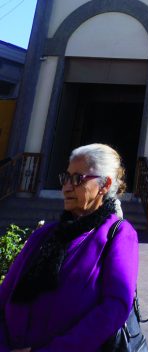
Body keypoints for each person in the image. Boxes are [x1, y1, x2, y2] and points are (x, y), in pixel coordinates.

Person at [0, 143, 138, 352]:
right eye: (66, 178)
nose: (66, 187)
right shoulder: (44, 235)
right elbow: (5, 294)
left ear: (104, 185)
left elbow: (115, 306)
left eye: (77, 179)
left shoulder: (118, 234)